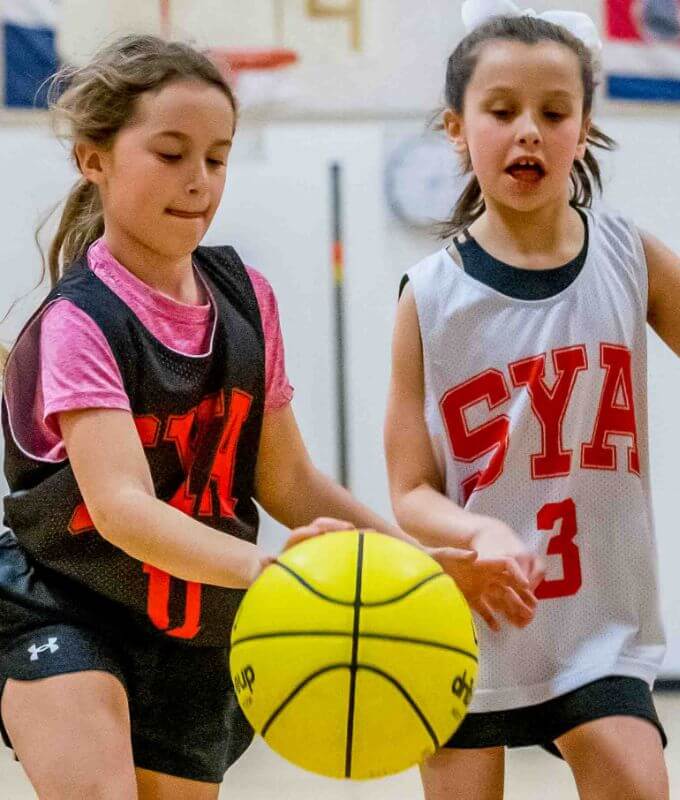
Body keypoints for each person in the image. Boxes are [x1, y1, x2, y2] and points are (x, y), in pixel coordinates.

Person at [0, 34, 534, 800]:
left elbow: (291, 483)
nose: (198, 181)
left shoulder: (246, 299)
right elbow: (121, 510)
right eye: (171, 154)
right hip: (66, 604)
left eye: (216, 158)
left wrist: (409, 568)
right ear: (95, 160)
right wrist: (276, 571)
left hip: (196, 628)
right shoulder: (80, 322)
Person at [384, 1, 680, 798]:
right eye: (502, 110)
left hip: (599, 630)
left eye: (554, 112)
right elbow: (408, 490)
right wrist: (475, 529)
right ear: (456, 127)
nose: (529, 131)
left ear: (582, 130)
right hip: (464, 619)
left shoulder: (628, 256)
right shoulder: (430, 296)